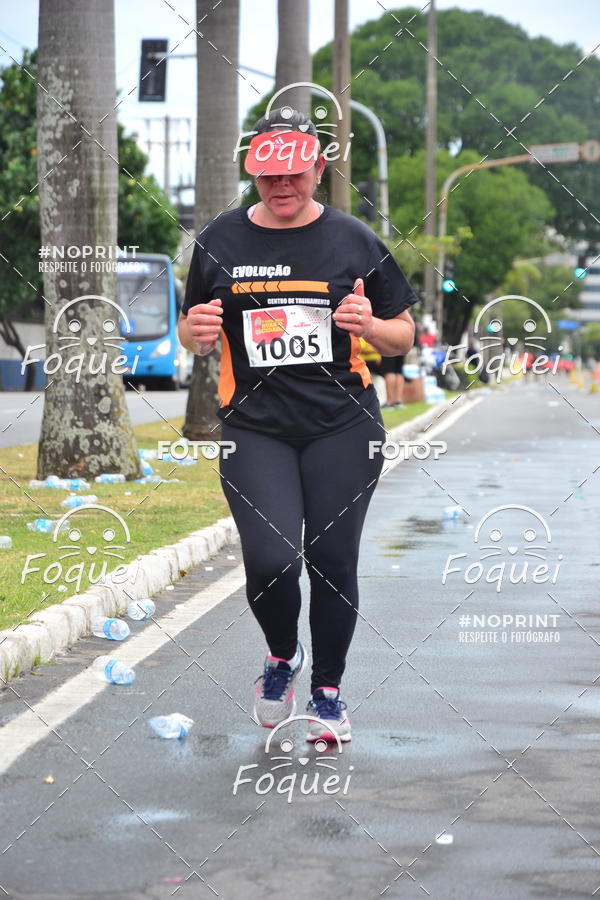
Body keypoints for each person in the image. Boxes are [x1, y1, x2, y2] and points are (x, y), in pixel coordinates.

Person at [178, 108, 418, 743]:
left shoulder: (356, 241)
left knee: (333, 560)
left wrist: (369, 326)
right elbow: (193, 328)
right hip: (254, 426)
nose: (282, 187)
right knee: (272, 560)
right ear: (252, 172)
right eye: (267, 176)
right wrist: (196, 335)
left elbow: (404, 336)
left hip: (343, 424)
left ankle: (329, 693)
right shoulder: (217, 242)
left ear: (318, 166)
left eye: (294, 174)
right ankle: (282, 655)